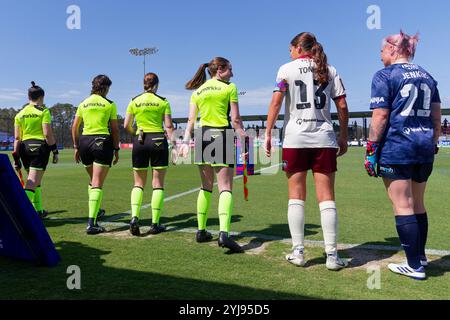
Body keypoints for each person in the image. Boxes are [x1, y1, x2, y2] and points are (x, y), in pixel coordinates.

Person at [265, 32, 349, 270]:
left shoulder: (285, 70)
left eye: (290, 48)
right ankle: (332, 256)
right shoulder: (330, 70)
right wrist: (342, 135)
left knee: (296, 196)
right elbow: (341, 105)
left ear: (297, 48)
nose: (289, 53)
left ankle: (298, 252)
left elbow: (276, 102)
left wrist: (269, 132)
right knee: (327, 197)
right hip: (323, 138)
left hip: (295, 139)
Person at [365, 31, 441, 280]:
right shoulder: (428, 76)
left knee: (402, 204)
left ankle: (414, 266)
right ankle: (419, 257)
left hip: (398, 147)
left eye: (381, 50)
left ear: (393, 49)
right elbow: (436, 116)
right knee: (418, 203)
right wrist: (434, 140)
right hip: (424, 146)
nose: (379, 55)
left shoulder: (384, 75)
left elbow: (381, 116)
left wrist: (372, 149)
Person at [179, 57, 246, 253]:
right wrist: (243, 141)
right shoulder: (229, 88)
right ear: (220, 70)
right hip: (221, 133)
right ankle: (224, 234)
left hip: (202, 135)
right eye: (230, 70)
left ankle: (201, 231)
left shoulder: (198, 91)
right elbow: (235, 119)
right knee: (225, 187)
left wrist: (184, 141)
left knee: (206, 186)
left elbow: (191, 120)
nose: (232, 74)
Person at [124, 72, 177, 236]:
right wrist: (174, 146)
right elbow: (169, 127)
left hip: (140, 141)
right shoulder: (163, 101)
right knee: (158, 183)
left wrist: (136, 132)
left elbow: (126, 125)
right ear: (157, 85)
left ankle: (134, 217)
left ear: (143, 84)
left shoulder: (134, 100)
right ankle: (155, 223)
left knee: (138, 183)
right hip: (158, 140)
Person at [72, 75, 120, 235]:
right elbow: (114, 129)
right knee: (97, 182)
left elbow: (74, 127)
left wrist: (76, 146)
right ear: (105, 88)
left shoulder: (83, 103)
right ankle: (92, 223)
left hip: (84, 142)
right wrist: (116, 148)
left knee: (92, 180)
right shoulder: (110, 104)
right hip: (101, 142)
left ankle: (97, 210)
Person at [13, 82, 59, 218]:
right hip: (39, 148)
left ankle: (38, 210)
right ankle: (20, 213)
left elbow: (17, 137)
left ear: (29, 96)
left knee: (34, 181)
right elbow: (47, 134)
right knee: (32, 181)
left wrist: (16, 158)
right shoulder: (43, 111)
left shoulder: (19, 114)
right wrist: (55, 150)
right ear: (41, 97)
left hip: (24, 148)